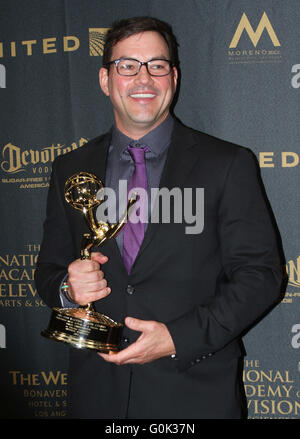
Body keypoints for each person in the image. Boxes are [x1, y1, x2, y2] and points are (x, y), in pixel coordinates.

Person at [35, 16, 283, 419]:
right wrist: (68, 287)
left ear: (174, 76)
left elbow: (261, 276)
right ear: (105, 79)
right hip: (97, 395)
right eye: (127, 65)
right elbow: (47, 269)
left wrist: (176, 338)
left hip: (195, 395)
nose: (143, 79)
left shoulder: (228, 164)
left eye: (157, 64)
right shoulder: (69, 168)